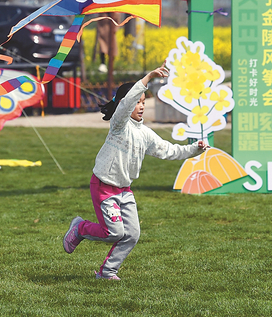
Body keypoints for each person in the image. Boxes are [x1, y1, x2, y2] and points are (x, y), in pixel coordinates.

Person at [63, 61, 209, 280]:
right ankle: (80, 228)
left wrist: (194, 149)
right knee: (114, 233)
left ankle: (107, 272)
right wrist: (148, 77)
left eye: (144, 102)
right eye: (138, 102)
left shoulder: (145, 133)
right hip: (104, 188)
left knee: (132, 234)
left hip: (124, 191)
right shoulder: (119, 124)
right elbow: (126, 104)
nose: (141, 106)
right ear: (125, 104)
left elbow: (169, 150)